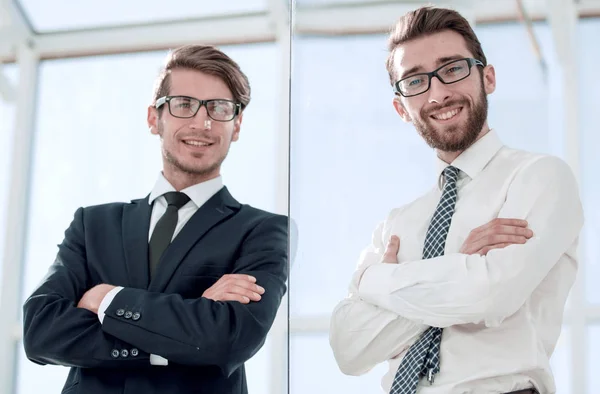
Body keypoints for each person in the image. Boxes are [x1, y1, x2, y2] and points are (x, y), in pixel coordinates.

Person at [329, 6, 583, 394]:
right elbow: (349, 349)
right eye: (415, 81)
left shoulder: (539, 178)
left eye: (452, 69)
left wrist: (377, 280)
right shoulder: (397, 223)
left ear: (488, 77)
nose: (438, 92)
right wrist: (459, 267)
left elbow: (491, 295)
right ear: (401, 108)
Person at [22, 45, 288, 394]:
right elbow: (41, 330)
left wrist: (107, 299)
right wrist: (183, 328)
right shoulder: (93, 225)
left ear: (236, 125)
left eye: (219, 109)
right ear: (154, 118)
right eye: (183, 104)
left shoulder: (263, 230)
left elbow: (230, 338)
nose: (202, 122)